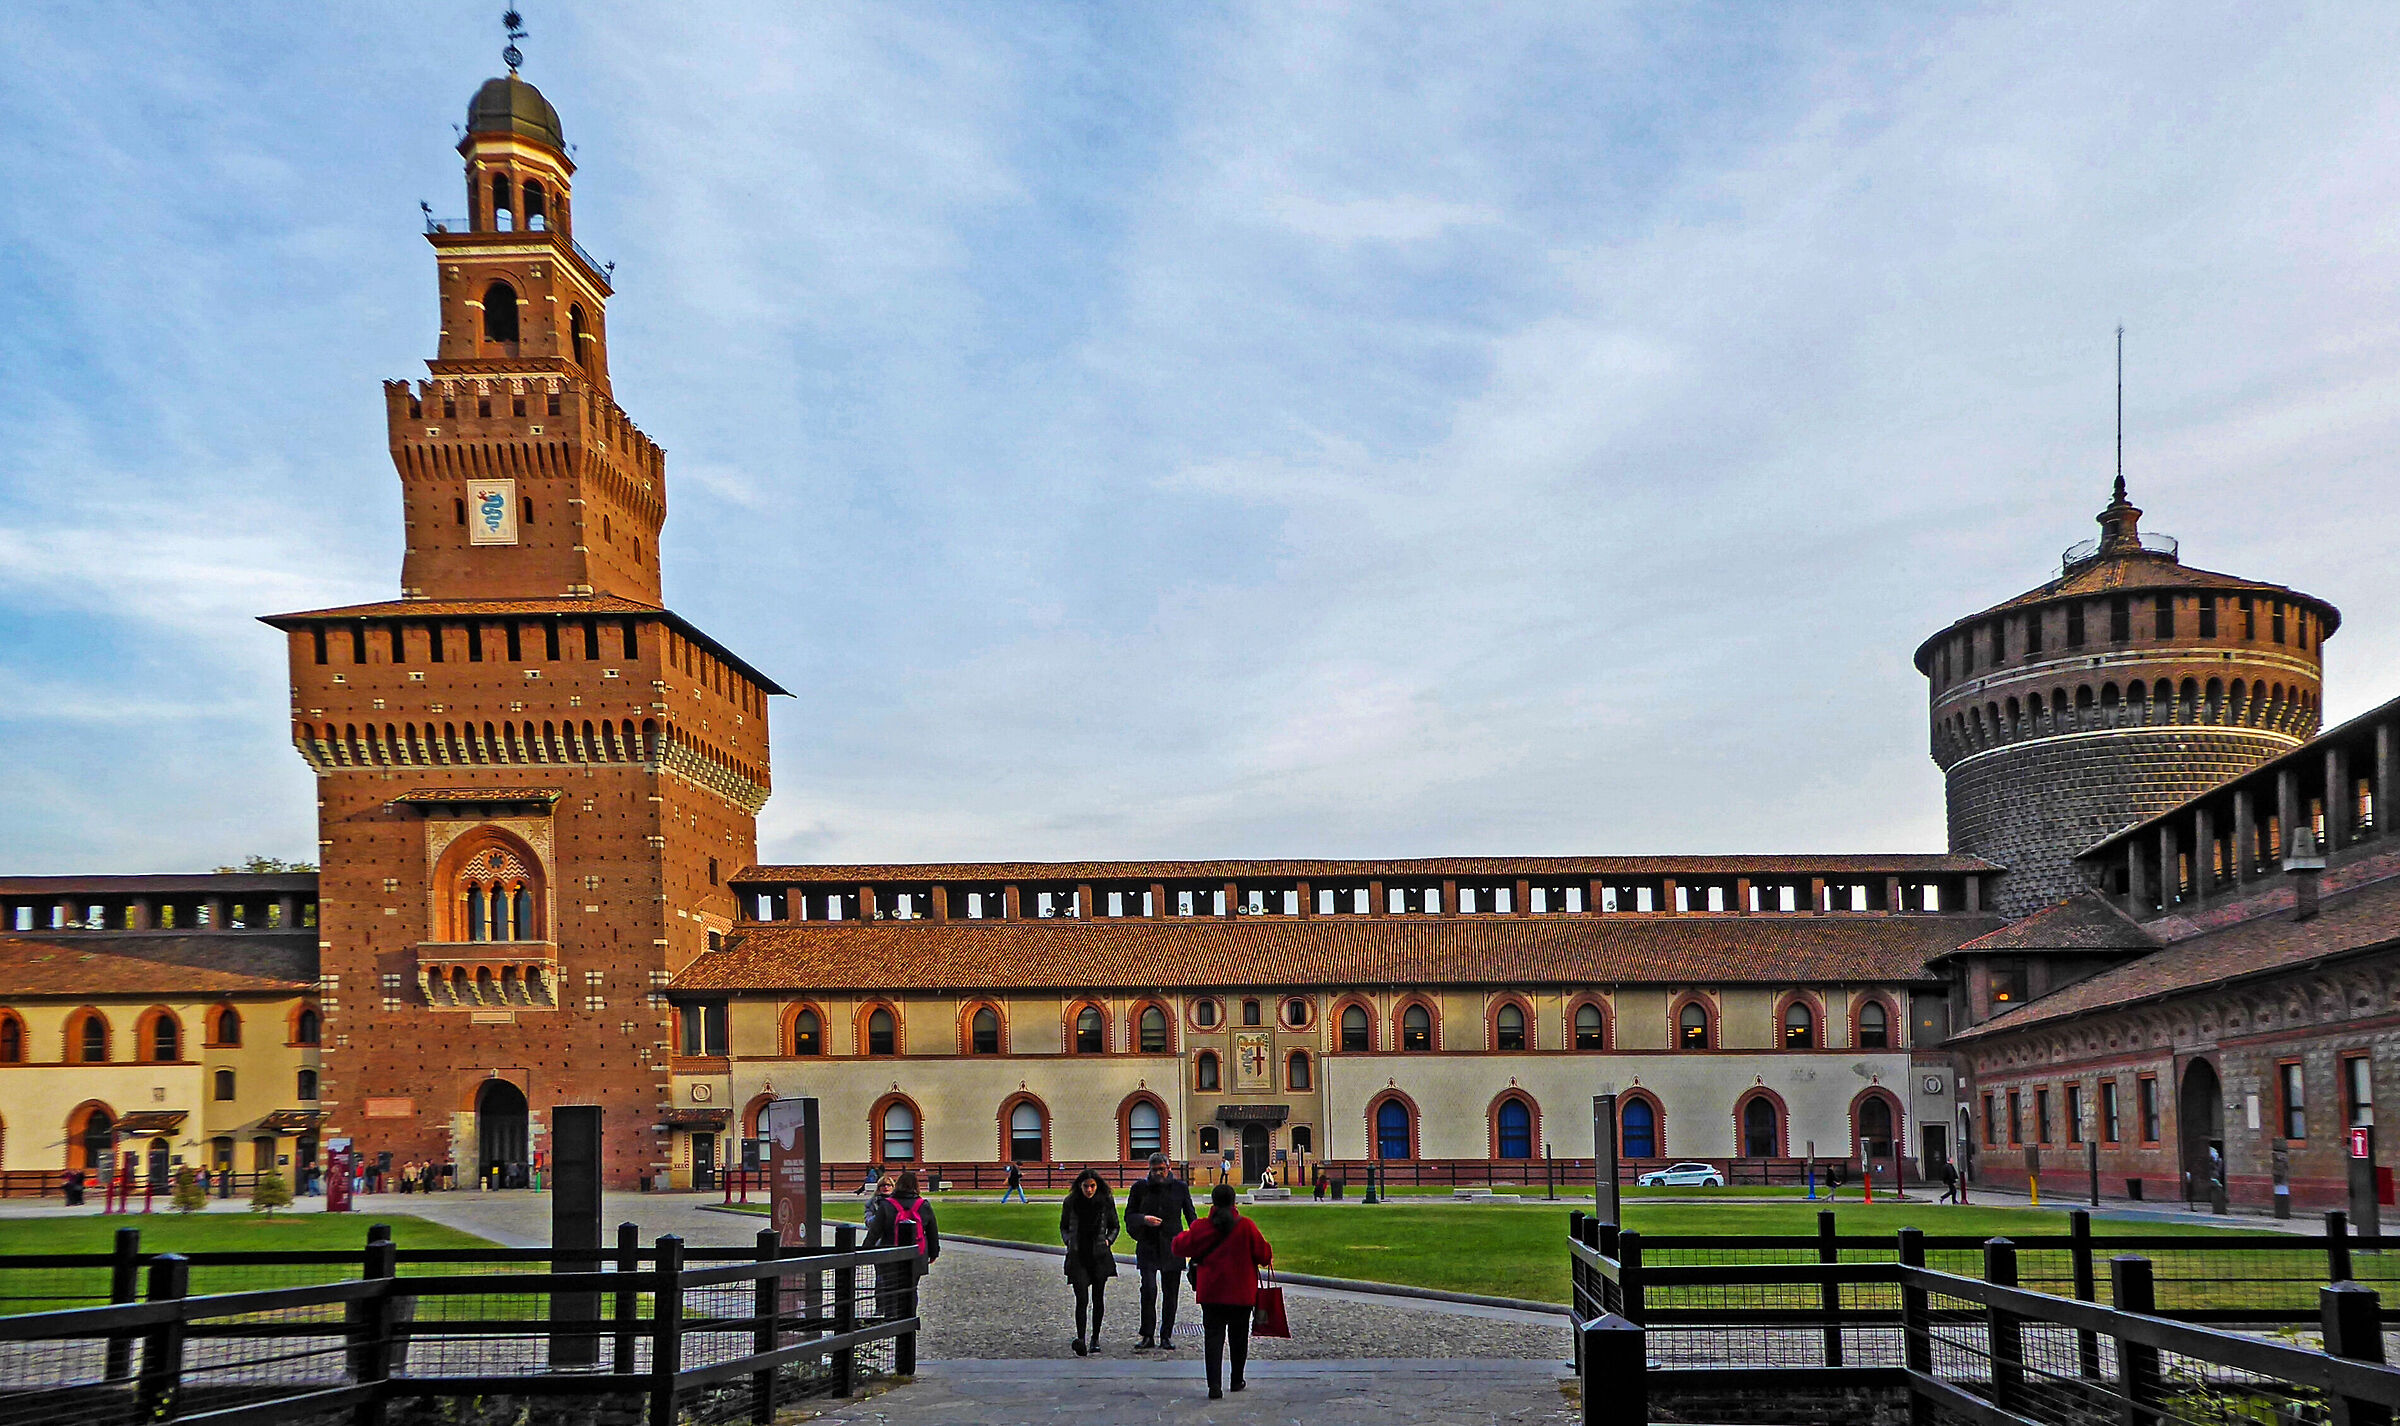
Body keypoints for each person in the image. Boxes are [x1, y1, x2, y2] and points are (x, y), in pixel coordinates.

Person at [1172, 1183, 1274, 1399]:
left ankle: (1214, 1386)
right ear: (1234, 1202)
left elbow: (1178, 1247)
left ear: (1213, 1202)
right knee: (1239, 1338)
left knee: (1213, 1339)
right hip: (1241, 1294)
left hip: (1212, 1294)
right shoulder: (1246, 1226)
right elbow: (1264, 1256)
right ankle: (1237, 1380)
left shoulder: (1201, 1227)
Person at [1125, 1152, 1198, 1350]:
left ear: (1169, 1168)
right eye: (1154, 1169)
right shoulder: (1139, 1188)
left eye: (1161, 1169)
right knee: (1148, 1289)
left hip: (1173, 1245)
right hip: (1148, 1244)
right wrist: (1143, 1220)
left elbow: (1191, 1215)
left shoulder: (1180, 1188)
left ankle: (1166, 1335)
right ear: (1149, 1169)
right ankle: (1147, 1334)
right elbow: (1129, 1216)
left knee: (1171, 1292)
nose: (1158, 1173)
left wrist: (1199, 1238)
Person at [864, 1169, 941, 1317]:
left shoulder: (887, 1205)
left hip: (889, 1252)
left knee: (890, 1288)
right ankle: (909, 1319)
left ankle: (891, 1319)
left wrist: (865, 1250)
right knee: (911, 1288)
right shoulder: (923, 1205)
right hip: (916, 1254)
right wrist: (933, 1253)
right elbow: (932, 1231)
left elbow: (875, 1231)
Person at [1059, 1168, 1120, 1355]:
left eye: (1092, 1186)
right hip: (1078, 1255)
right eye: (1086, 1186)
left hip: (1099, 1255)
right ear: (1080, 1186)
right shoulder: (1071, 1202)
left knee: (1098, 1298)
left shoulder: (1105, 1202)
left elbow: (1115, 1225)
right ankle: (1081, 1338)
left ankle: (1095, 1338)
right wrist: (1069, 1240)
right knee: (1081, 1299)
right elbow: (1063, 1226)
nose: (1089, 1190)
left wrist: (1108, 1240)